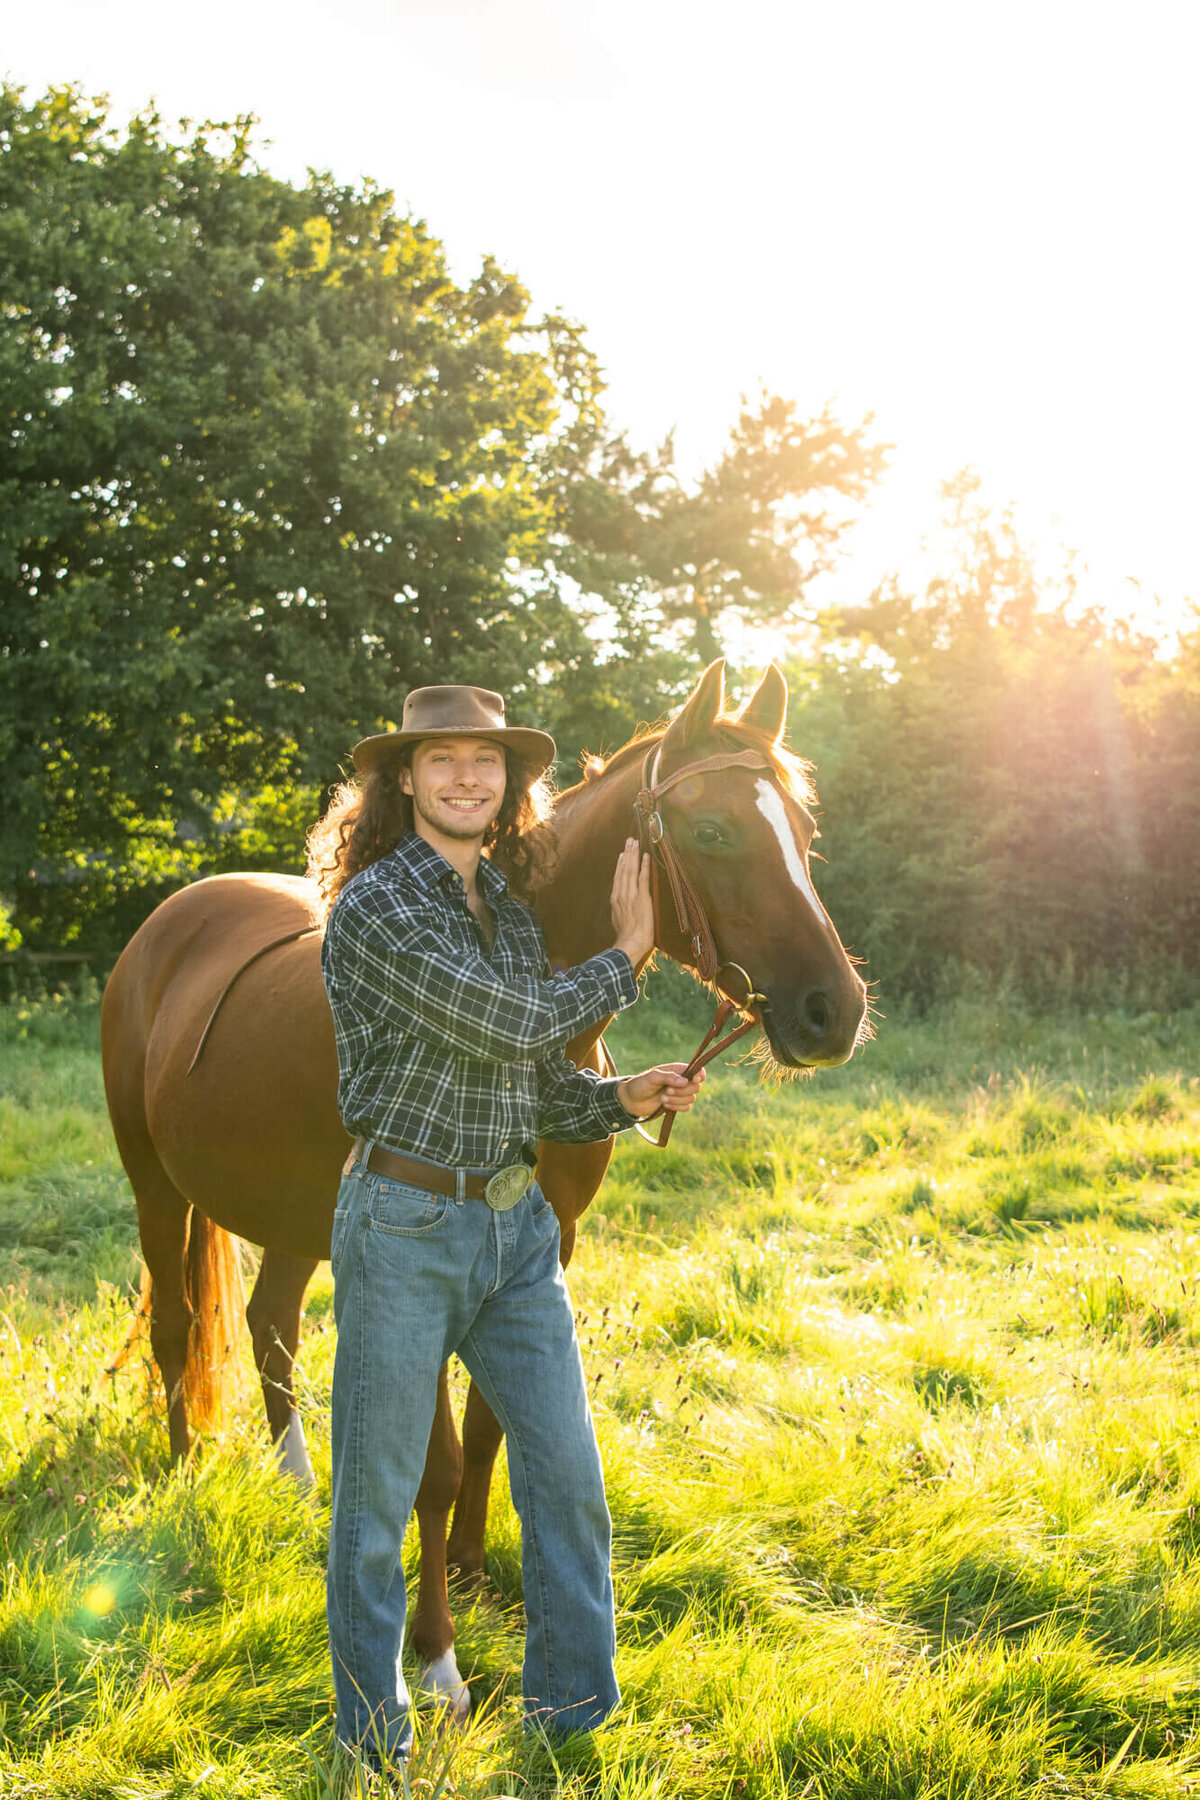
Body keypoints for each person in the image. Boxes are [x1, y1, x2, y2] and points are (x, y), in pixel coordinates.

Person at [312, 683, 703, 1767]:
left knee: (566, 1473)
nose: (467, 778)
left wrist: (622, 1098)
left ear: (509, 784)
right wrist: (627, 953)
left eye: (486, 762)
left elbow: (534, 1082)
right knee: (377, 1499)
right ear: (404, 780)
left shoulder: (513, 916)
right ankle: (371, 1734)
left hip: (514, 1230)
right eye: (442, 760)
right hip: (403, 1222)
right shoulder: (381, 909)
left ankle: (573, 1717)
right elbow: (509, 1021)